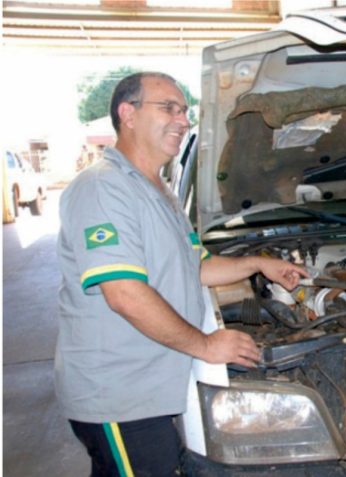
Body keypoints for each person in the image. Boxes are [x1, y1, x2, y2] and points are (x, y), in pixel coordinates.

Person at [56, 71, 309, 476]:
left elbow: (197, 266)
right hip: (119, 396)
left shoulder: (160, 191)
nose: (183, 120)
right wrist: (206, 345)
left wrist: (259, 263)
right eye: (168, 108)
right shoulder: (104, 187)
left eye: (184, 111)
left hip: (152, 387)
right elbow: (123, 293)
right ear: (128, 114)